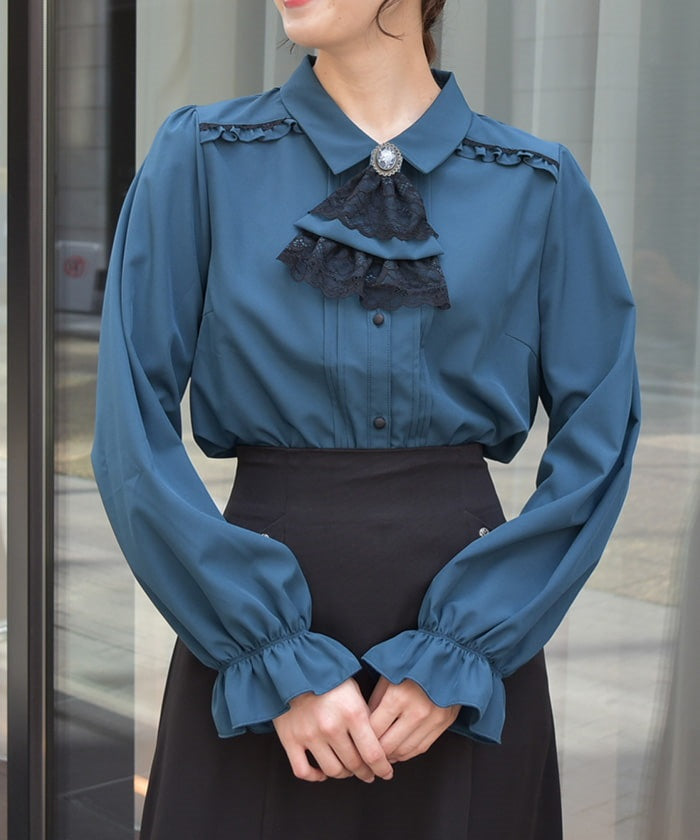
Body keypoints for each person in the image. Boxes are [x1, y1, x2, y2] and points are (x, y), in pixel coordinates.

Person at [91, 1, 641, 838]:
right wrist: (270, 658)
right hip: (250, 645)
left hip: (466, 658)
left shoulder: (538, 184)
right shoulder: (199, 161)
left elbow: (600, 442)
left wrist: (462, 654)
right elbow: (129, 432)